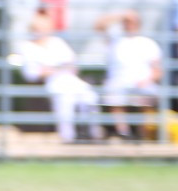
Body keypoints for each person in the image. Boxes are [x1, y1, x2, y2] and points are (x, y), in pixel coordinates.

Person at [18, 10, 99, 143]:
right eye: (38, 28)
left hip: (70, 80)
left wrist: (50, 68)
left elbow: (72, 63)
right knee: (65, 99)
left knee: (90, 97)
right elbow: (31, 73)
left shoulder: (57, 42)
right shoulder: (27, 47)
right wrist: (57, 69)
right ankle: (68, 136)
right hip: (51, 83)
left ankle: (91, 133)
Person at [93, 9, 163, 139]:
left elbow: (158, 71)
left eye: (131, 21)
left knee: (147, 94)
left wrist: (147, 80)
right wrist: (121, 15)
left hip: (142, 82)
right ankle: (124, 133)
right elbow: (98, 25)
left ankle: (141, 134)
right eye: (126, 22)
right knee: (114, 92)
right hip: (118, 82)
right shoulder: (115, 40)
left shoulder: (148, 43)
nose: (129, 24)